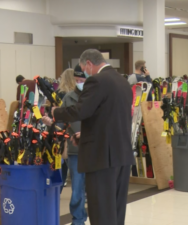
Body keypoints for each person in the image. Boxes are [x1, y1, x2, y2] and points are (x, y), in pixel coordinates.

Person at [52, 49, 134, 225]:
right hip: (122, 154)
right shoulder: (123, 81)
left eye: (84, 69)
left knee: (101, 212)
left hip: (101, 157)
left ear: (89, 64)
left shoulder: (97, 81)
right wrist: (85, 135)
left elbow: (81, 110)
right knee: (116, 210)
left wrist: (56, 112)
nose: (85, 74)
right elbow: (109, 118)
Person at [42, 65, 88, 225]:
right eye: (77, 80)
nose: (80, 82)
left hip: (95, 149)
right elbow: (61, 122)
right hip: (75, 150)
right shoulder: (68, 98)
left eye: (83, 79)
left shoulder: (95, 97)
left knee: (96, 190)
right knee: (77, 190)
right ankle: (78, 220)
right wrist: (51, 123)